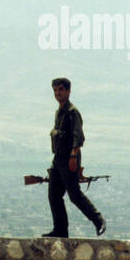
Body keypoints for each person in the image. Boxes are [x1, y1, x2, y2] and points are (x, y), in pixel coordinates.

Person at [43, 78, 105, 238]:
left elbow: (78, 137)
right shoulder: (59, 112)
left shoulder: (72, 112)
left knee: (74, 195)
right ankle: (60, 230)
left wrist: (73, 157)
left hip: (69, 158)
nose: (58, 93)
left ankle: (98, 220)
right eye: (55, 90)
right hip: (58, 159)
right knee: (54, 196)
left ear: (68, 91)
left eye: (61, 89)